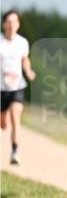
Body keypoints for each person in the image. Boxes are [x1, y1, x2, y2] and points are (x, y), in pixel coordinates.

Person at [0, 9, 36, 165]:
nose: (11, 25)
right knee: (3, 123)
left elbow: (25, 60)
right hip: (1, 88)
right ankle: (2, 116)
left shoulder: (22, 42)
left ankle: (15, 152)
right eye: (9, 22)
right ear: (4, 24)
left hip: (17, 87)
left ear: (18, 24)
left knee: (16, 117)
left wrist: (28, 70)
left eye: (15, 22)